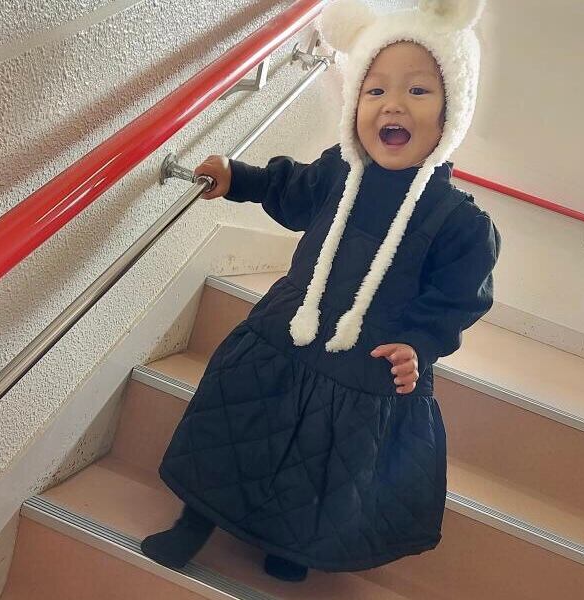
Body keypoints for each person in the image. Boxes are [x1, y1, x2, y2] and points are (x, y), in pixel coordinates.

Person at [142, 0, 499, 583]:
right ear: (355, 102)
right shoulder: (340, 170)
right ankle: (194, 520)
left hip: (367, 360)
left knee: (327, 458)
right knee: (235, 423)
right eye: (375, 90)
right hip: (288, 328)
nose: (393, 104)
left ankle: (291, 547)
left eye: (418, 91)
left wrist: (419, 343)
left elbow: (458, 297)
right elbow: (290, 189)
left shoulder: (459, 222)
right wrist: (238, 178)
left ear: (452, 111)